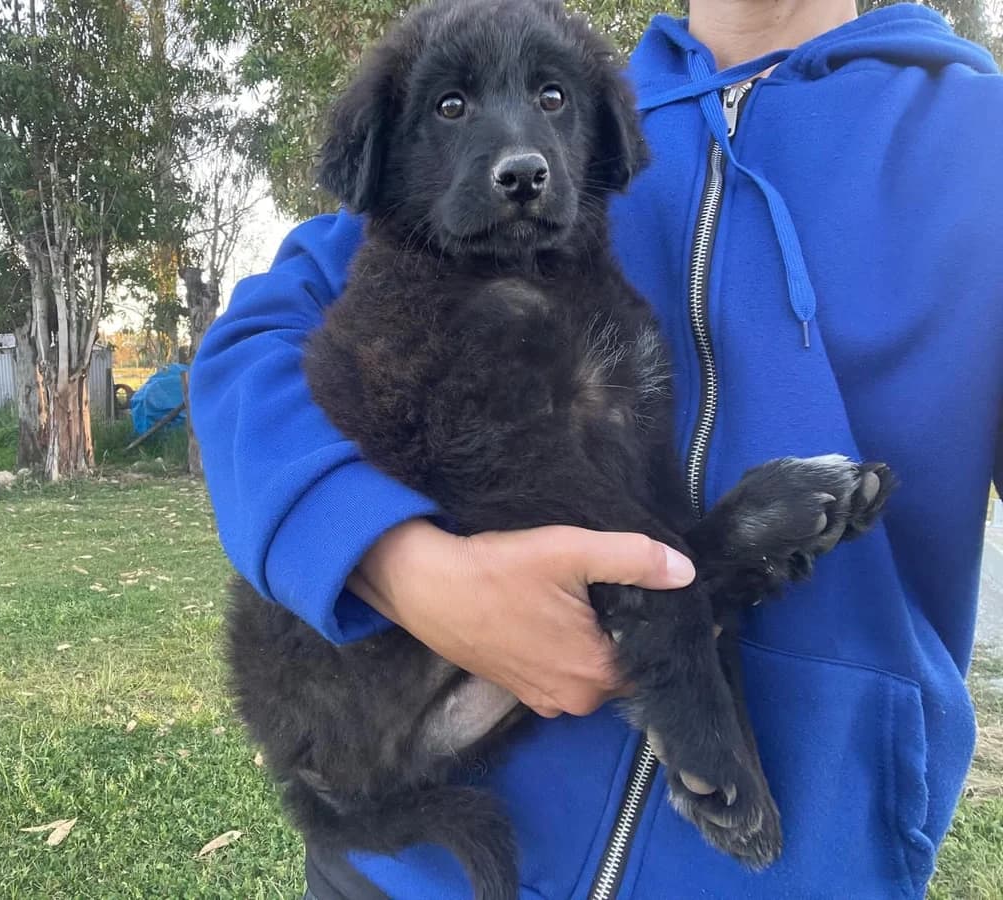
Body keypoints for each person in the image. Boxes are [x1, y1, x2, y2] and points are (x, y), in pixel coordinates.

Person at [191, 0, 1003, 896]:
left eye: (548, 101)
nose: (520, 150)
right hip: (405, 861)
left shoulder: (980, 144)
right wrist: (395, 563)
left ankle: (714, 560)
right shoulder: (571, 120)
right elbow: (249, 346)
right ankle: (709, 566)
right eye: (452, 108)